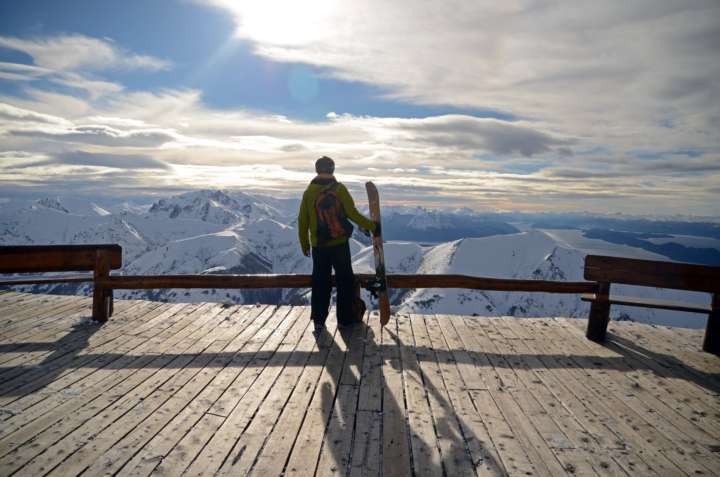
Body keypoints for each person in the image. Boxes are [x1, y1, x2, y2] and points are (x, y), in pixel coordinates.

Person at [298, 156, 377, 333]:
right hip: (339, 243)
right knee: (345, 281)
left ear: (317, 170)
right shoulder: (340, 189)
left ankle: (319, 321)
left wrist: (304, 243)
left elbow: (303, 220)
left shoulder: (309, 192)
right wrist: (371, 226)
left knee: (320, 282)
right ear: (332, 170)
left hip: (319, 246)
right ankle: (345, 320)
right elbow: (352, 213)